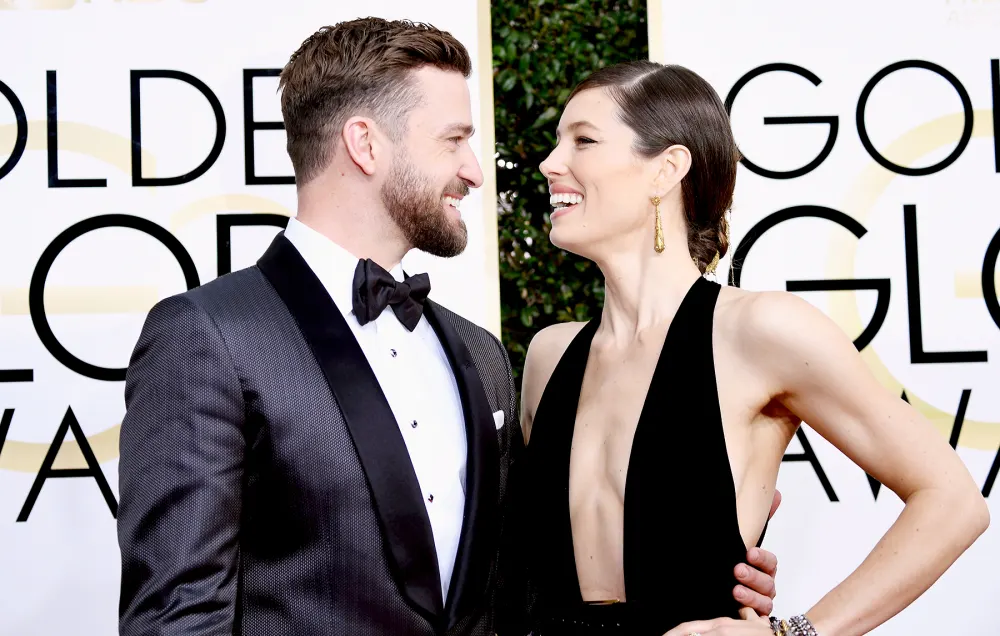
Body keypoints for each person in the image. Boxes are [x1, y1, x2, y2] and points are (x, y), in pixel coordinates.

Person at [116, 19, 781, 636]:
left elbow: (519, 579)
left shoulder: (478, 355)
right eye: (454, 140)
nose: (473, 170)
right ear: (365, 143)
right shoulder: (209, 335)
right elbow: (177, 618)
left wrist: (712, 559)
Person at [515, 60, 991, 636]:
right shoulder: (550, 356)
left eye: (583, 141)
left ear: (666, 169)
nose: (550, 163)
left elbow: (953, 502)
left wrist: (794, 633)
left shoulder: (759, 332)